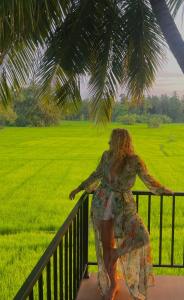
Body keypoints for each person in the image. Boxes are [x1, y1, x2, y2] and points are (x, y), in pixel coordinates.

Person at [69, 128, 173, 300]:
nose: (109, 142)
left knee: (142, 236)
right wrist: (80, 188)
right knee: (106, 247)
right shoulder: (106, 156)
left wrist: (163, 190)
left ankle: (117, 253)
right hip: (102, 205)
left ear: (120, 141)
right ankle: (113, 285)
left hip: (124, 208)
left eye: (112, 139)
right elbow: (96, 174)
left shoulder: (135, 161)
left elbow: (147, 178)